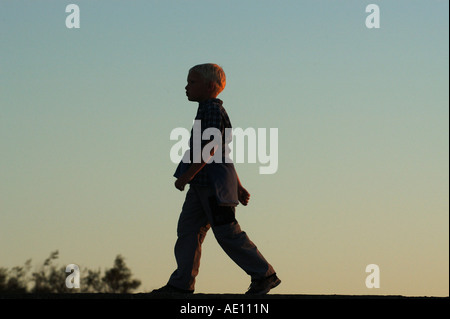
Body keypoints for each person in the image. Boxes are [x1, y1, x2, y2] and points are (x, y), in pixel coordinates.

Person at [152, 63, 280, 295]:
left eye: (192, 82)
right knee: (188, 229)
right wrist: (238, 185)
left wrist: (188, 175)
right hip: (202, 185)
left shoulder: (211, 110)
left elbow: (211, 148)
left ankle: (264, 275)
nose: (186, 87)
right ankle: (181, 284)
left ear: (210, 86)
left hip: (212, 186)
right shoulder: (206, 109)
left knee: (227, 232)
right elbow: (222, 151)